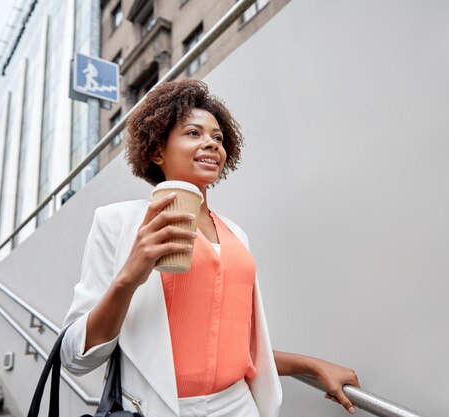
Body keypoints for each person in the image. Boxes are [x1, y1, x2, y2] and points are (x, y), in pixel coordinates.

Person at [60, 80, 360, 417]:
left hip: (240, 406)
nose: (211, 144)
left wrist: (314, 366)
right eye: (193, 133)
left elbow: (241, 351)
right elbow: (74, 356)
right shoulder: (118, 223)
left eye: (217, 137)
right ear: (157, 151)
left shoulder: (237, 236)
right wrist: (129, 277)